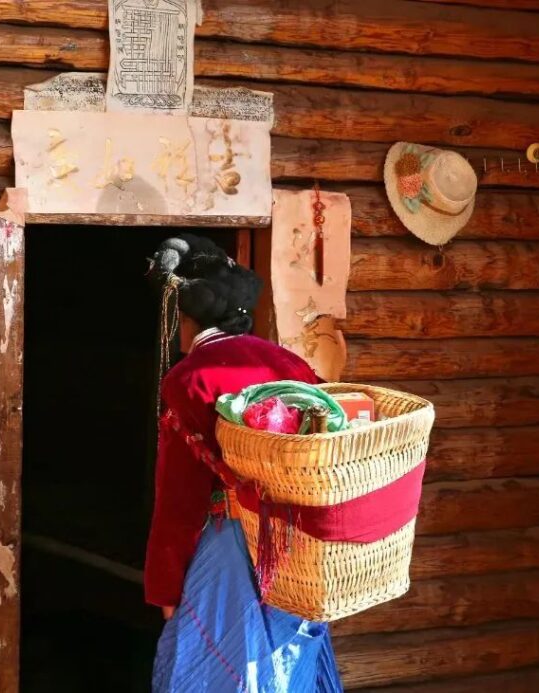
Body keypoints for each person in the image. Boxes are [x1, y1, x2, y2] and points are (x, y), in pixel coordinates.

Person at [145, 235, 343, 692]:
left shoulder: (189, 379)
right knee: (285, 666)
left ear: (186, 320)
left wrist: (165, 587)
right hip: (295, 545)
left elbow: (180, 497)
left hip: (231, 545)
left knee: (223, 669)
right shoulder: (292, 365)